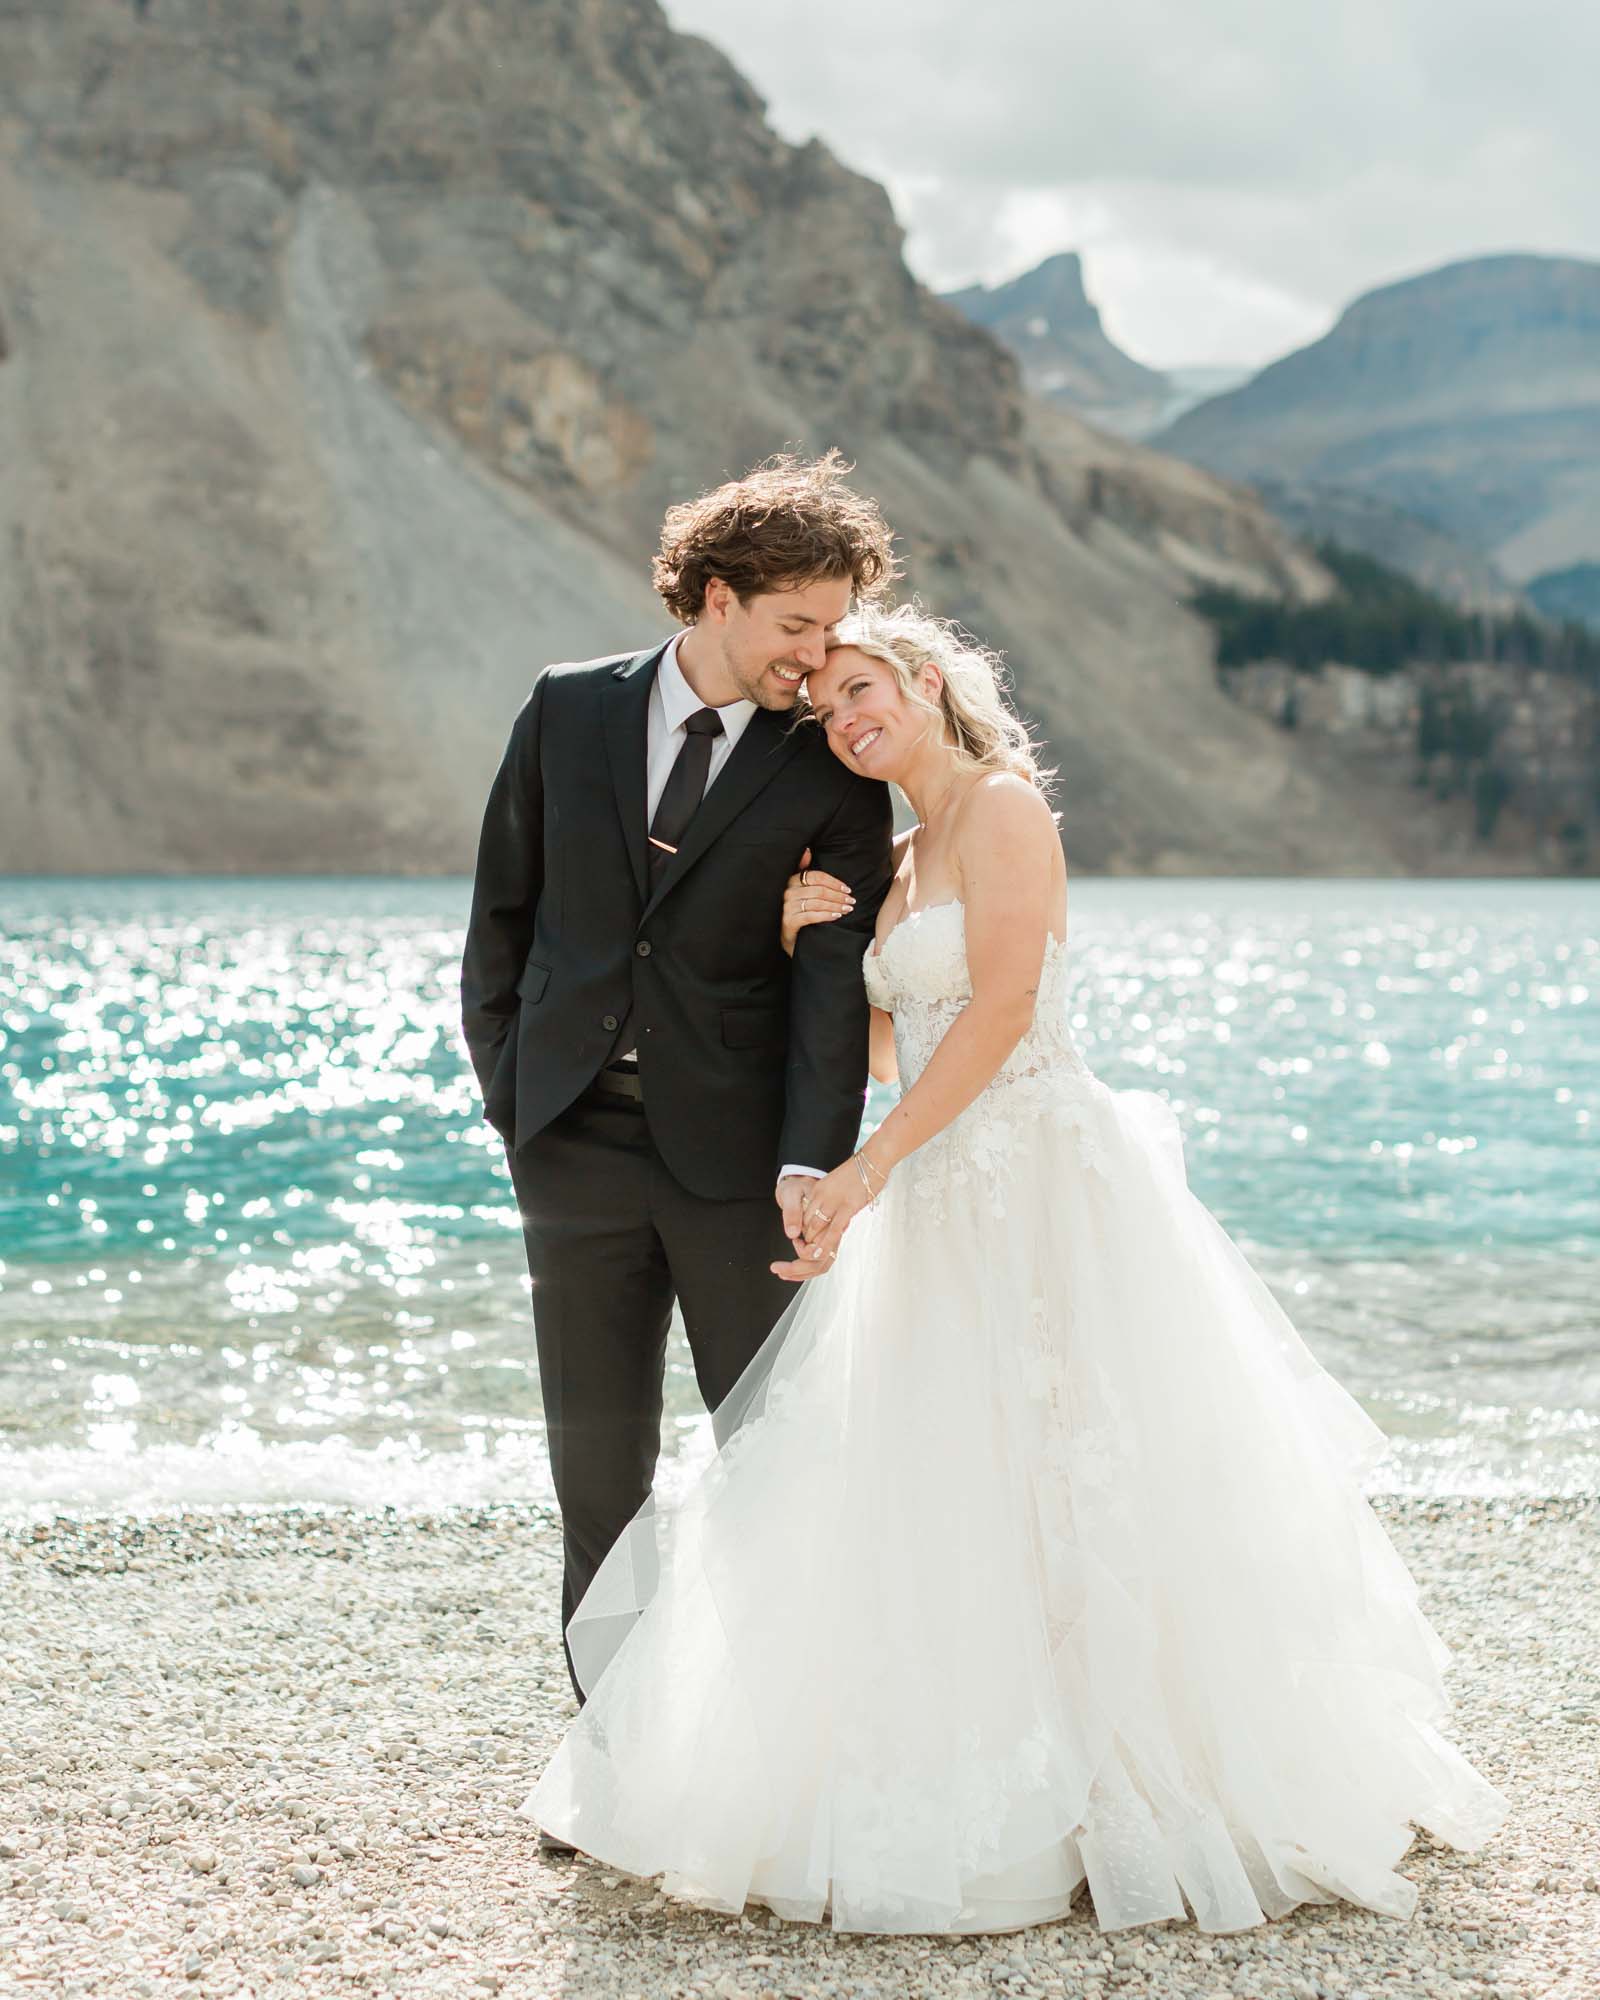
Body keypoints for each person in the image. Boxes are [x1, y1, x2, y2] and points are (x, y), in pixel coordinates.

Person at [519, 600, 1508, 1935]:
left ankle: (1141, 1788)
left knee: (1078, 1451)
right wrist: (813, 944)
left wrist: (863, 1172)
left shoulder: (1002, 811)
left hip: (1037, 1173)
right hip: (939, 1182)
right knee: (949, 1470)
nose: (850, 720)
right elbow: (900, 1047)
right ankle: (993, 1775)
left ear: (929, 683)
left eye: (866, 688)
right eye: (831, 710)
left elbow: (997, 1014)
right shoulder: (905, 850)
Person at [459, 453, 897, 1764]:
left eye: (833, 629)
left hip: (740, 1166)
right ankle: (618, 1764)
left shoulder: (829, 765)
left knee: (775, 1461)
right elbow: (502, 923)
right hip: (573, 1152)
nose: (819, 657)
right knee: (597, 1477)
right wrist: (515, 1106)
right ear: (716, 597)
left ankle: (779, 1758)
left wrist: (810, 1168)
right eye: (796, 625)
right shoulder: (565, 710)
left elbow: (831, 999)